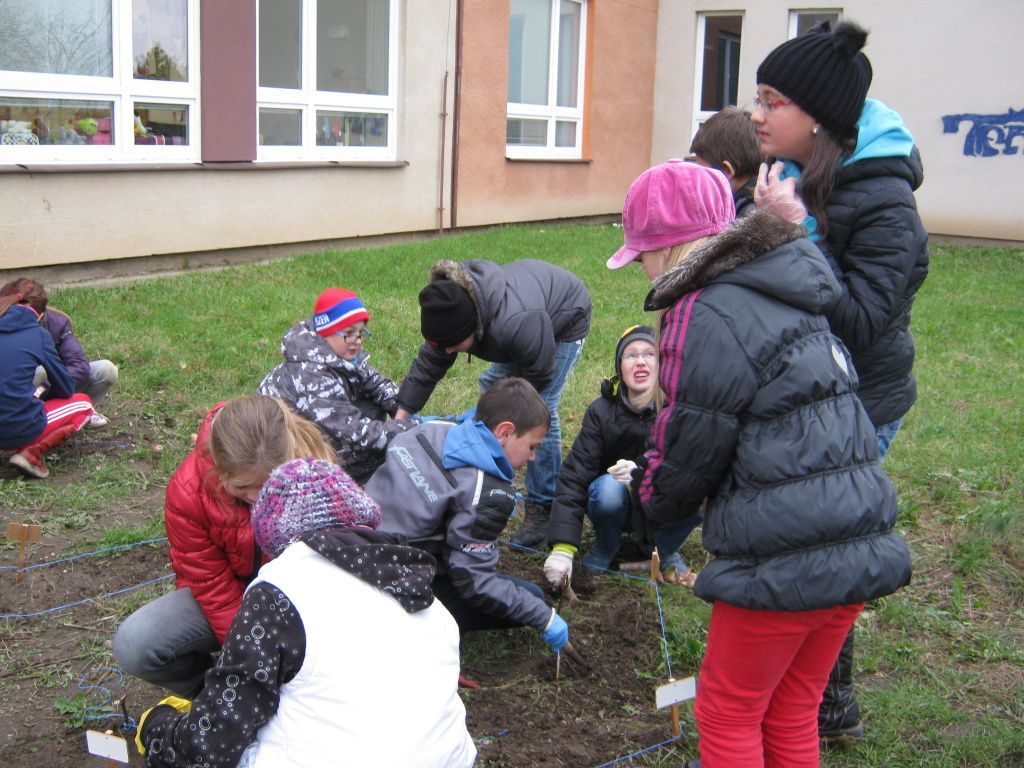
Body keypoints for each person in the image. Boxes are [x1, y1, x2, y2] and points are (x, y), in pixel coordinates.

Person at [612, 159, 911, 767]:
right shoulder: (784, 284)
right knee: (793, 707)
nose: (641, 267)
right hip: (855, 532)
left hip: (784, 552)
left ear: (669, 247)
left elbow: (693, 437)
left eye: (641, 253)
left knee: (728, 711)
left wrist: (652, 500)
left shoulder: (702, 310)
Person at [752, 20, 929, 743]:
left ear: (820, 117)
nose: (756, 115)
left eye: (772, 101)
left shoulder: (886, 202)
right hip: (807, 395)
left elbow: (858, 323)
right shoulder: (793, 173)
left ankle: (827, 703)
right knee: (814, 541)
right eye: (757, 98)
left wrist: (794, 231)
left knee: (825, 548)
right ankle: (813, 701)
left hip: (860, 403)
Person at [136, 458, 476, 768]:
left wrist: (159, 729)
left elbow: (210, 748)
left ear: (275, 535)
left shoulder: (281, 591)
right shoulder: (430, 602)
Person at [112, 395, 337, 697]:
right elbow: (211, 586)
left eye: (268, 483)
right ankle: (215, 696)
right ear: (219, 468)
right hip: (234, 598)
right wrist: (249, 655)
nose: (256, 496)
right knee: (135, 643)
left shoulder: (313, 466)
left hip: (304, 599)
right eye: (243, 487)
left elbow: (333, 557)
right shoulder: (188, 493)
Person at [393, 258, 592, 548]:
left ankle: (543, 506)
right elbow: (429, 364)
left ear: (473, 330)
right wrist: (401, 417)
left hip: (565, 317)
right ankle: (487, 466)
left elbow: (538, 377)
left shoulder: (514, 324)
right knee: (492, 390)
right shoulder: (451, 314)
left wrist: (511, 416)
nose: (447, 351)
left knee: (538, 410)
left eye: (453, 345)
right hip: (524, 325)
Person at [367, 377, 570, 652]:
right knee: (532, 596)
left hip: (357, 543)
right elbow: (474, 583)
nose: (532, 457)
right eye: (532, 446)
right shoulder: (487, 493)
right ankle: (420, 630)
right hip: (393, 582)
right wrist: (543, 617)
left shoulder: (434, 428)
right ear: (504, 433)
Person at [542, 325, 699, 589]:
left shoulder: (678, 412)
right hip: (615, 507)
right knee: (608, 488)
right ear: (620, 367)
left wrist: (643, 474)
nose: (640, 362)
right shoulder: (601, 412)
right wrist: (562, 547)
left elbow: (692, 470)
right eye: (631, 355)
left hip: (661, 507)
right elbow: (575, 476)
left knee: (702, 490)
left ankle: (662, 549)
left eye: (649, 354)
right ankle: (607, 545)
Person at [257, 287, 411, 484]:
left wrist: (404, 407)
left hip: (312, 423)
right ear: (327, 332)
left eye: (361, 332)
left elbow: (375, 382)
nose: (357, 340)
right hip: (282, 449)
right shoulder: (311, 375)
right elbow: (354, 432)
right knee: (373, 450)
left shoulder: (336, 351)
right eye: (349, 333)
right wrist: (407, 428)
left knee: (374, 409)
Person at [0, 290, 94, 478]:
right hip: (16, 428)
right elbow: (66, 387)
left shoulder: (59, 324)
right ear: (41, 315)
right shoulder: (39, 334)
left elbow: (79, 366)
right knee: (84, 403)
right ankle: (31, 453)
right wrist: (41, 391)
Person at [1, 278, 118, 428]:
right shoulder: (32, 333)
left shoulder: (57, 322)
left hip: (51, 386)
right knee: (40, 372)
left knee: (106, 370)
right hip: (18, 401)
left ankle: (77, 413)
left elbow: (79, 366)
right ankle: (69, 414)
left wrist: (47, 385)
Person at [687, 106, 762, 217]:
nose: (697, 179)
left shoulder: (747, 217)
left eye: (702, 171)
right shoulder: (755, 203)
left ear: (726, 170)